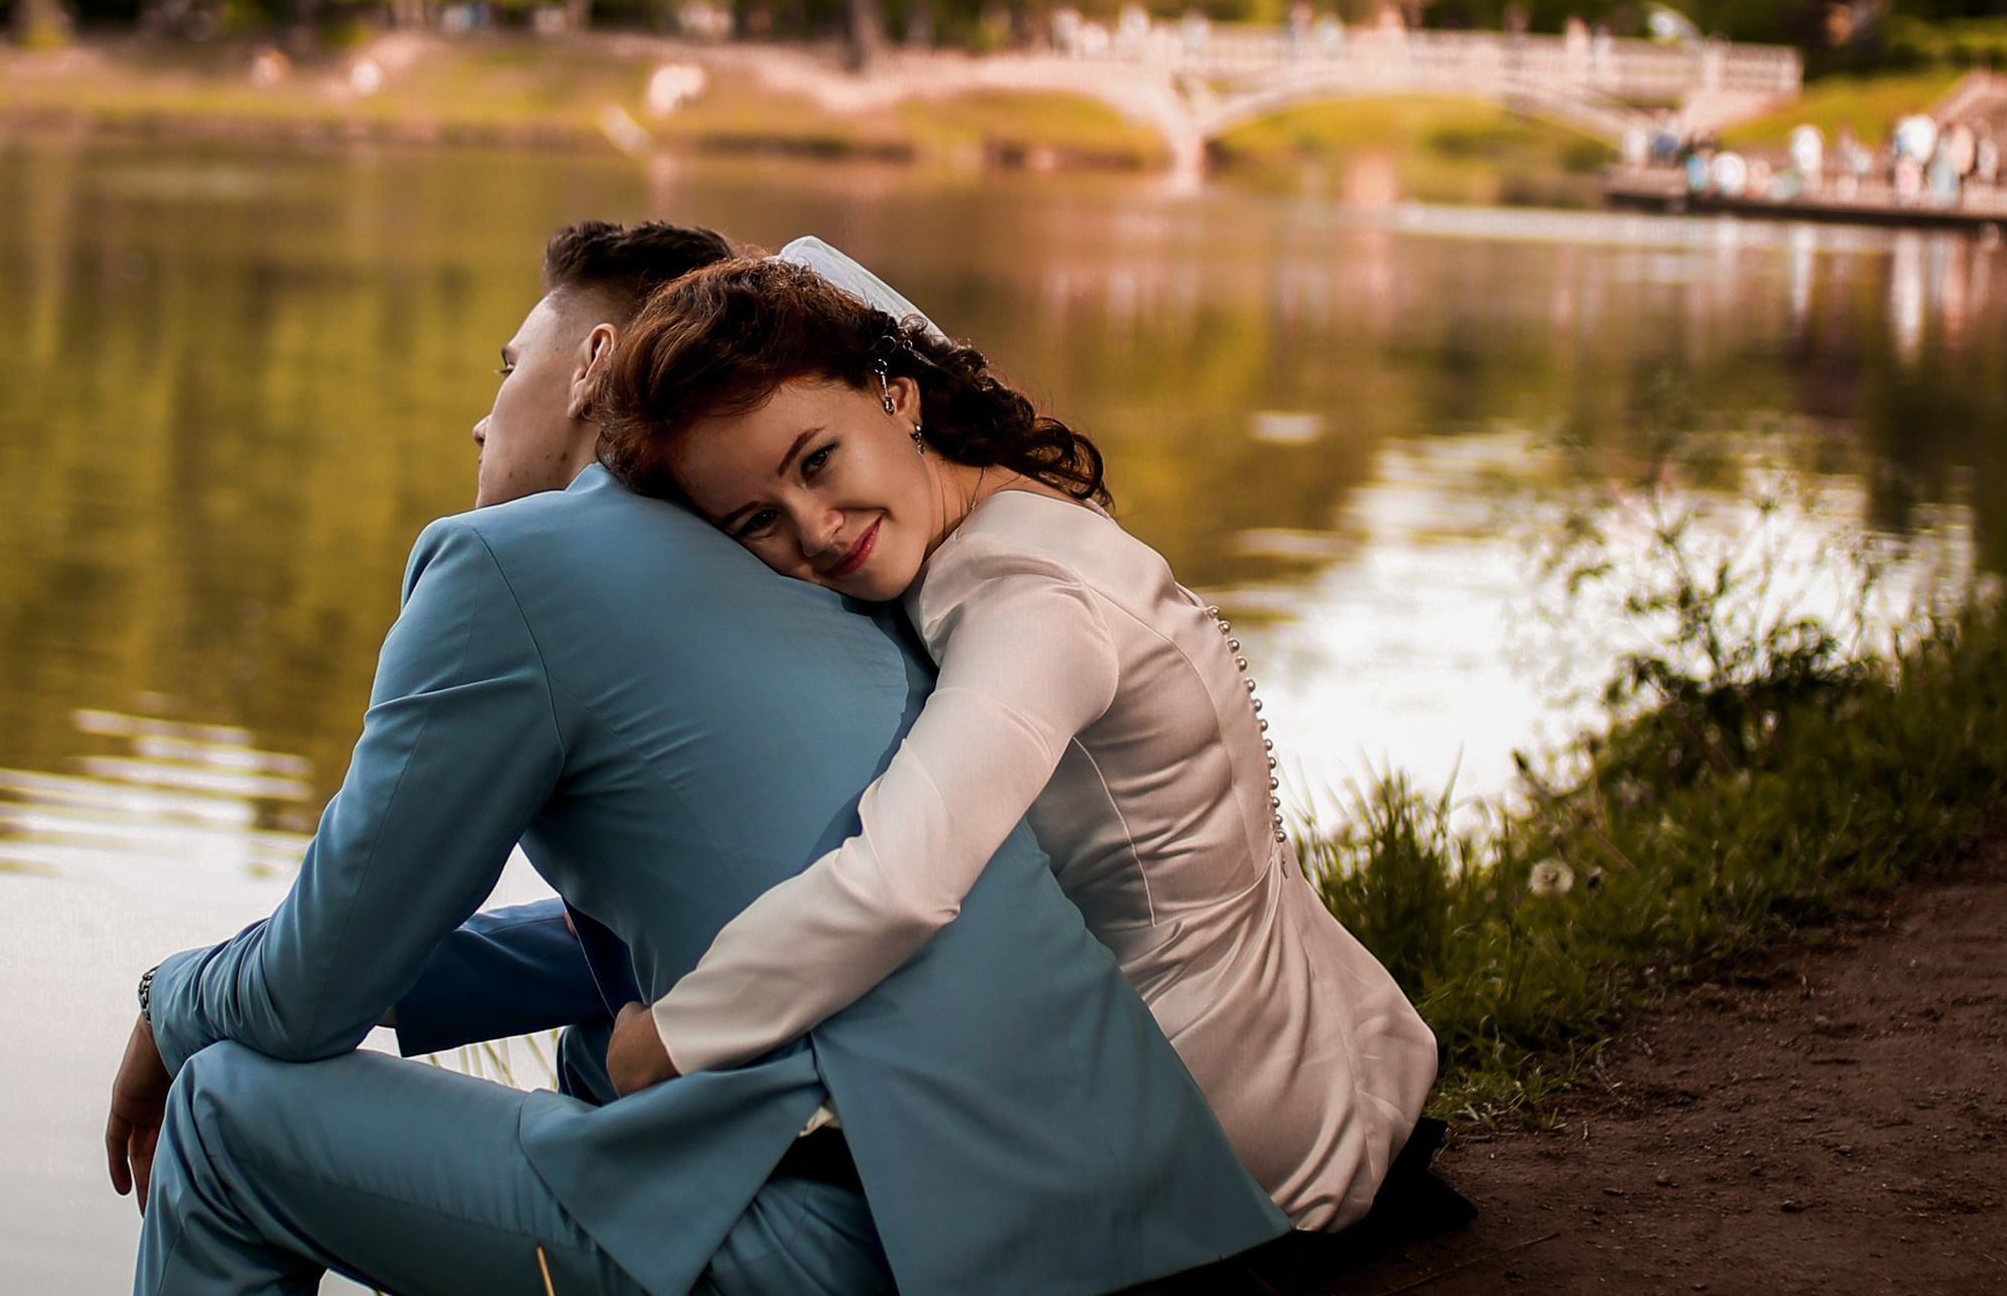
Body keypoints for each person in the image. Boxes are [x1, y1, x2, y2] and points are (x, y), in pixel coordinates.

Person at [87, 224, 1287, 1296]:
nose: (480, 414)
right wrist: (331, 975)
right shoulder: (803, 570)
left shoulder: (506, 572)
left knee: (226, 1121)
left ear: (594, 362)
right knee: (605, 1053)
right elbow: (713, 914)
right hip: (1117, 1240)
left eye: (507, 363)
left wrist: (170, 996)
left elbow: (305, 997)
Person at [593, 245, 1437, 1231]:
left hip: (1200, 1103)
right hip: (1300, 1037)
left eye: (816, 461)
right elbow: (818, 275)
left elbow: (900, 883)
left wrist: (675, 1040)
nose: (816, 529)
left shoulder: (1021, 601)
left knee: (679, 1164)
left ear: (899, 400)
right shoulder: (1011, 498)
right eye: (756, 521)